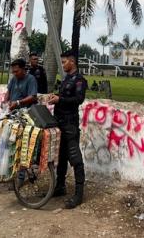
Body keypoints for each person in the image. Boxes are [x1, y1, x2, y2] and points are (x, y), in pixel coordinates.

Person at [47, 50, 87, 209]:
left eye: (64, 62)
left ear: (72, 61)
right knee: (61, 157)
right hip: (59, 122)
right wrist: (55, 97)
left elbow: (78, 99)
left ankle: (78, 194)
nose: (62, 65)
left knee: (75, 158)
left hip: (70, 124)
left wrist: (60, 99)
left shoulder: (79, 80)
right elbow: (63, 97)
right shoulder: (66, 79)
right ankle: (60, 187)